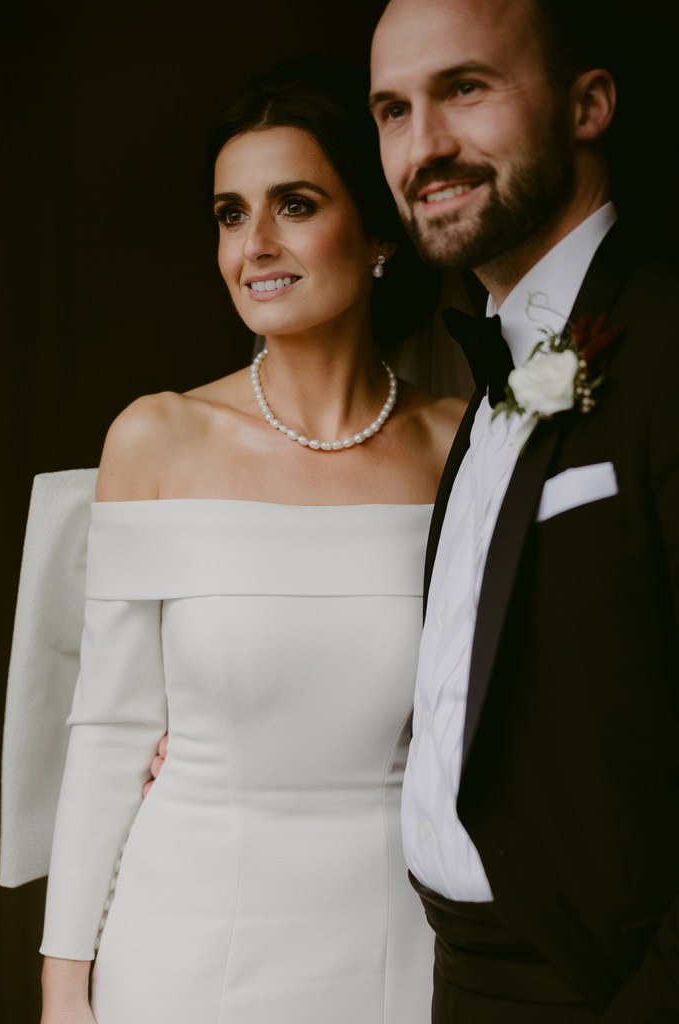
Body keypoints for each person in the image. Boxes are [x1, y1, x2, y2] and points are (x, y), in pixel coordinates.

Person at [36, 58, 466, 1024]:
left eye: (295, 204)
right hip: (183, 945)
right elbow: (108, 733)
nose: (255, 245)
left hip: (399, 943)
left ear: (380, 232)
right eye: (231, 214)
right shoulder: (157, 438)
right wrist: (64, 983)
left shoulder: (460, 448)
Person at [368, 0, 679, 1020]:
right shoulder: (487, 366)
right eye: (391, 110)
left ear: (587, 104)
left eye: (463, 89)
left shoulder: (665, 346)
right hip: (458, 976)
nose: (425, 147)